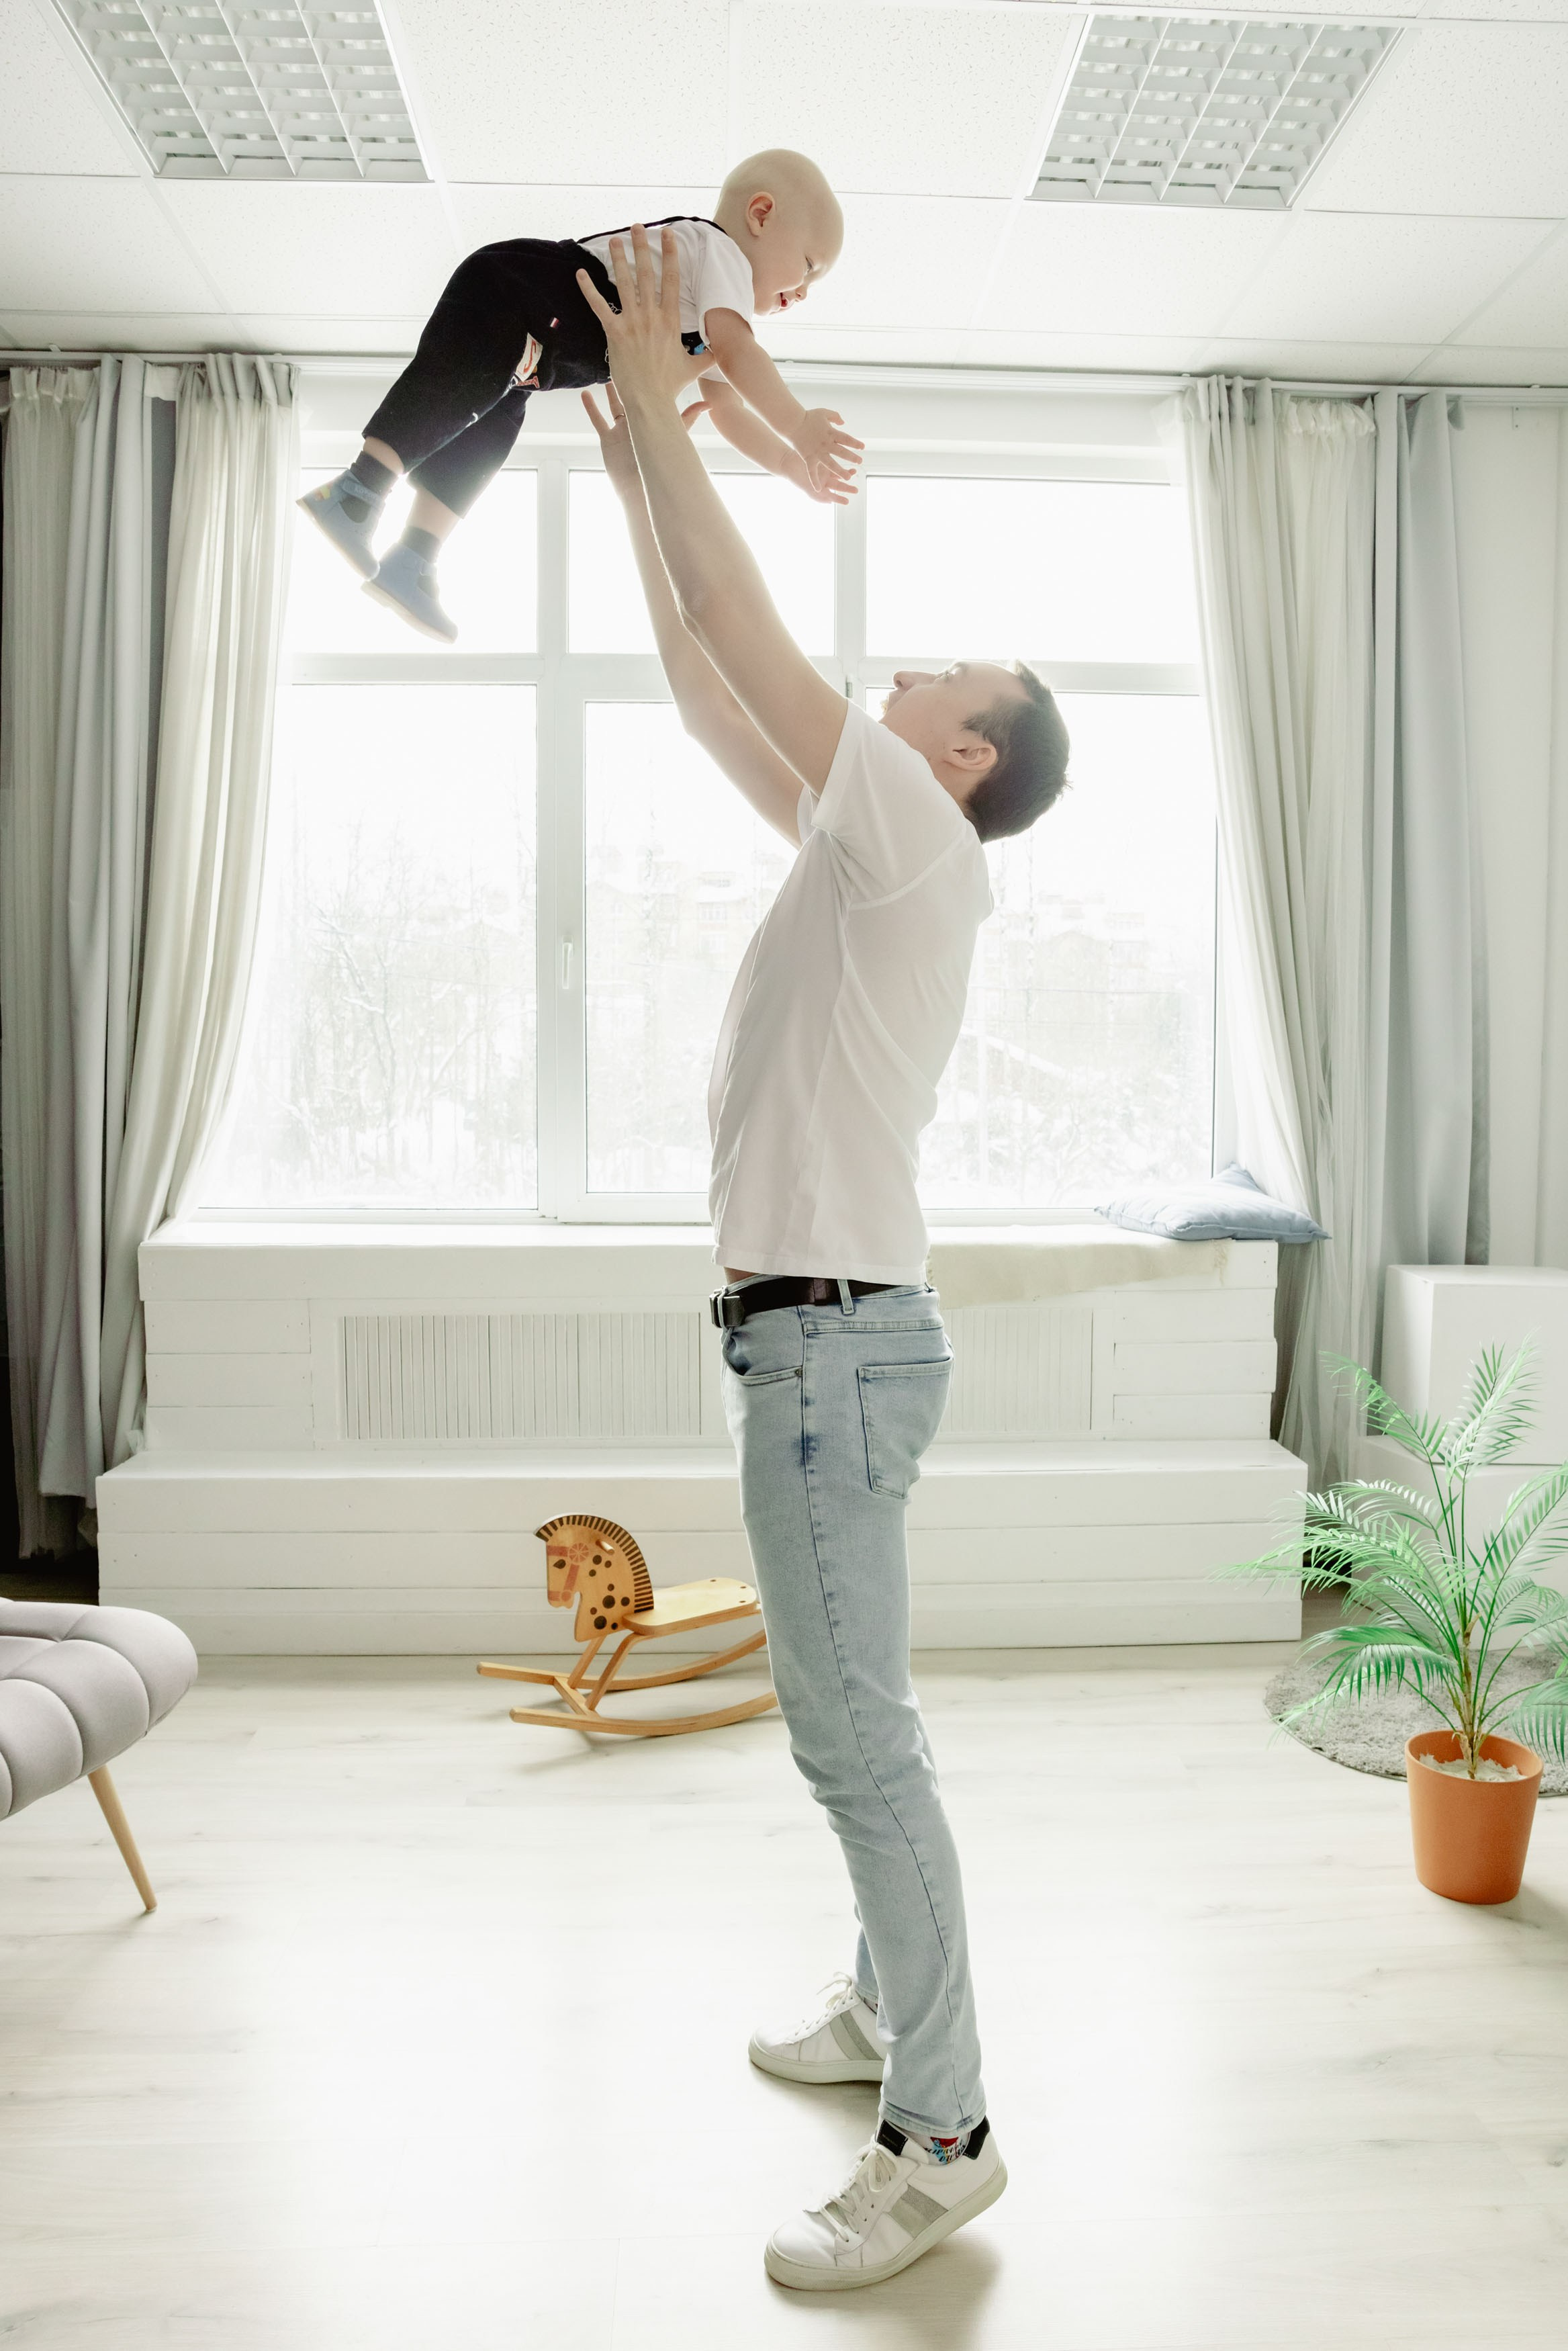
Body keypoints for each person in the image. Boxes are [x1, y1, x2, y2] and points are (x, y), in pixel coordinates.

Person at [579, 228, 1070, 2292]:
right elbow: (713, 675)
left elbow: (760, 627)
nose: (918, 657)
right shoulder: (874, 837)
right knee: (867, 1720)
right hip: (828, 1343)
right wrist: (630, 467)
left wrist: (654, 394)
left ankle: (939, 2130)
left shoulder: (915, 831)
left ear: (960, 753)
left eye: (949, 670)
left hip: (835, 1350)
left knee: (856, 1736)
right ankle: (883, 2007)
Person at [296, 149, 859, 642]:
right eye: (808, 267)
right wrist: (798, 427)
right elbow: (741, 357)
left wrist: (787, 463)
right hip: (523, 290)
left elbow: (727, 406)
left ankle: (413, 558)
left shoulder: (706, 318)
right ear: (761, 216)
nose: (802, 294)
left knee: (485, 433)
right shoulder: (721, 255)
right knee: (454, 389)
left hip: (539, 349)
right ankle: (357, 490)